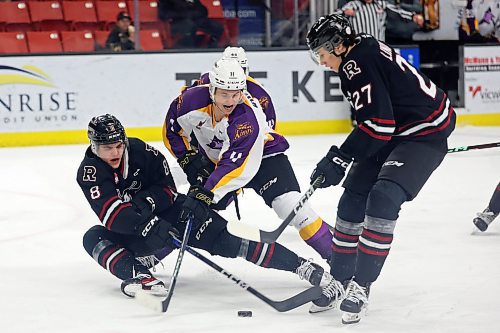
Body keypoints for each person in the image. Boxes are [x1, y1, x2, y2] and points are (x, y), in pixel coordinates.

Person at [305, 14, 456, 324]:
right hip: (395, 131)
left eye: (321, 54)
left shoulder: (354, 65)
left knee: (384, 196)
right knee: (352, 198)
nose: (321, 61)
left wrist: (341, 155)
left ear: (336, 45)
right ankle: (342, 277)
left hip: (425, 132)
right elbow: (379, 123)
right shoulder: (361, 49)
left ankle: (361, 285)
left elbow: (378, 125)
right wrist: (344, 157)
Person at [77, 114, 329, 298]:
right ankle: (139, 273)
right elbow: (111, 216)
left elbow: (168, 189)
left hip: (171, 214)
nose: (115, 153)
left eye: (118, 145)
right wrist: (146, 224)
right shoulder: (89, 173)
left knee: (230, 240)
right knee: (94, 237)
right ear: (93, 146)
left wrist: (147, 205)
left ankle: (301, 266)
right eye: (106, 147)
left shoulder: (143, 152)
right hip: (138, 234)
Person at [163, 58, 334, 263]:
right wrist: (188, 160)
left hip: (263, 157)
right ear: (212, 90)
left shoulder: (246, 117)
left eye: (235, 94)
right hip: (218, 161)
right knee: (192, 210)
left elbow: (234, 164)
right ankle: (158, 250)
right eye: (224, 94)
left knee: (289, 206)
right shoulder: (190, 100)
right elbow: (172, 130)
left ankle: (338, 259)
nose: (230, 101)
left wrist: (206, 191)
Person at [185, 46, 277, 130]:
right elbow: (186, 99)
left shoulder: (260, 94)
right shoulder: (206, 80)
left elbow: (270, 129)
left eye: (240, 69)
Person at [336, 0, 424, 42]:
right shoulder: (353, 5)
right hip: (359, 46)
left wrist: (413, 16)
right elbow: (335, 15)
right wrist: (344, 13)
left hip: (378, 45)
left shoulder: (380, 4)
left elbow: (398, 11)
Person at [158, 0, 223, 48]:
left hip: (196, 20)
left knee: (216, 26)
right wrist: (184, 14)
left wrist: (192, 12)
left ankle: (211, 46)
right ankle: (188, 48)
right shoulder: (166, 1)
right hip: (177, 23)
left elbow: (203, 11)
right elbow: (163, 14)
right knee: (190, 25)